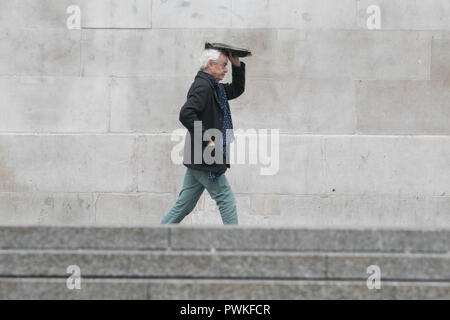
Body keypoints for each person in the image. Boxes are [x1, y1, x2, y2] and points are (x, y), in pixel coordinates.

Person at [161, 47, 246, 225]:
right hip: (205, 156)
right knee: (226, 199)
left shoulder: (215, 88)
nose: (226, 69)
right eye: (224, 65)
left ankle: (152, 242)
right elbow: (186, 114)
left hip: (199, 156)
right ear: (210, 65)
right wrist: (207, 138)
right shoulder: (203, 87)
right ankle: (237, 247)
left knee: (184, 205)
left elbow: (237, 89)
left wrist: (237, 65)